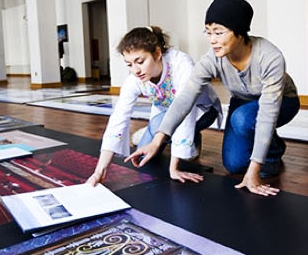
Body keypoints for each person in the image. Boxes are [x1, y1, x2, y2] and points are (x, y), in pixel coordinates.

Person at [130, 0, 300, 197]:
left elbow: (268, 112)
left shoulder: (270, 57)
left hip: (282, 102)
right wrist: (158, 140)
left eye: (219, 32)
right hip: (244, 102)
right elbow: (185, 98)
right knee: (234, 164)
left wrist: (255, 171)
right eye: (208, 32)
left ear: (239, 32)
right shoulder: (213, 58)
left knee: (244, 120)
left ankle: (271, 155)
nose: (212, 40)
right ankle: (269, 143)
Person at [86, 26, 220, 187]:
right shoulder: (135, 77)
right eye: (129, 64)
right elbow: (118, 118)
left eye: (140, 62)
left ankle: (189, 134)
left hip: (200, 110)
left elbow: (185, 109)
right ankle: (163, 134)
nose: (135, 70)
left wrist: (174, 168)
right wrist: (99, 171)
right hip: (165, 113)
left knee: (166, 129)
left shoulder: (181, 63)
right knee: (143, 158)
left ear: (157, 53)